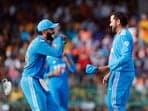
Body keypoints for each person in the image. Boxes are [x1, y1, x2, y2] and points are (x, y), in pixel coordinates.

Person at [85, 12, 135, 111]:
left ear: (118, 22)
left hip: (122, 73)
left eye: (111, 21)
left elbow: (126, 57)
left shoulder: (124, 35)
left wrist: (104, 68)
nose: (110, 24)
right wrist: (109, 73)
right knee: (110, 102)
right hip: (116, 72)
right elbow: (116, 57)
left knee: (116, 103)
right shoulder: (118, 36)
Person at [20, 19, 65, 111]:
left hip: (38, 80)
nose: (53, 32)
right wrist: (60, 39)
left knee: (54, 108)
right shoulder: (39, 43)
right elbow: (57, 54)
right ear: (44, 32)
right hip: (31, 80)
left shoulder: (41, 42)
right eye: (51, 29)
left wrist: (61, 42)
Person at [43, 36, 76, 111]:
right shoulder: (48, 58)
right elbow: (43, 75)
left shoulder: (66, 56)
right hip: (53, 86)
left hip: (64, 86)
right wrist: (52, 74)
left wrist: (67, 59)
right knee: (57, 107)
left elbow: (73, 70)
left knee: (64, 107)